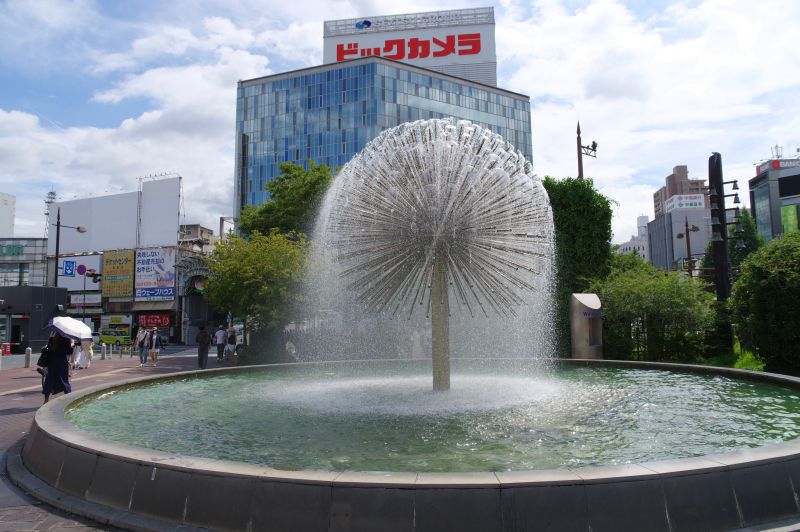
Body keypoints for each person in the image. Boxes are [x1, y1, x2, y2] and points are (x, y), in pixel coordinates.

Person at [42, 333, 73, 404]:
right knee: (64, 380)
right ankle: (68, 398)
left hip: (52, 362)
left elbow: (49, 350)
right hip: (62, 363)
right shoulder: (66, 340)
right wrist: (72, 346)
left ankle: (46, 400)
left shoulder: (51, 339)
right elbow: (68, 352)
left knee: (49, 380)